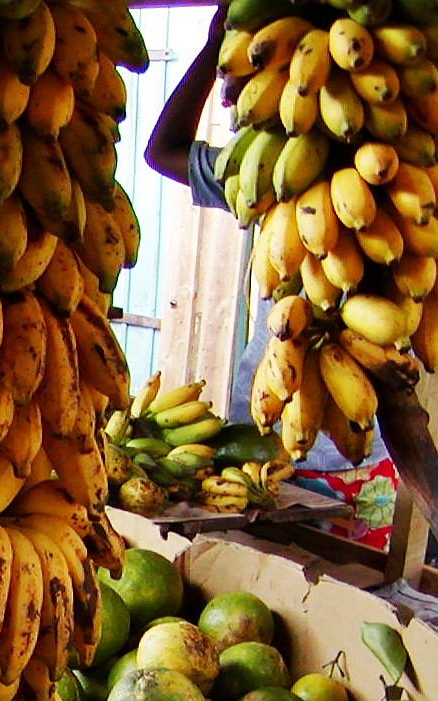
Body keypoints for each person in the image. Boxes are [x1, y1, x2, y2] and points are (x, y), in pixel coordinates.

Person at [146, 6, 399, 551]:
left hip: (356, 459)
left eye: (241, 81)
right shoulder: (265, 173)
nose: (228, 97)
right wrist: (214, 54)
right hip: (260, 441)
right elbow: (161, 151)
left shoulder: (388, 175)